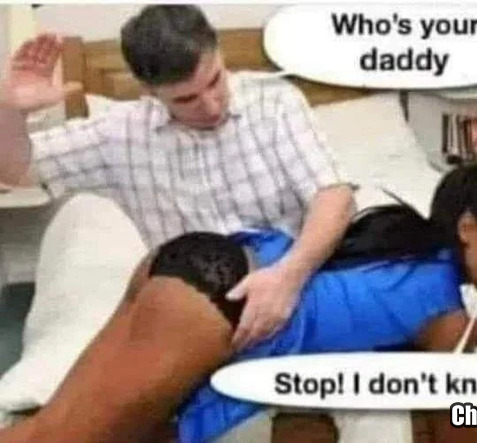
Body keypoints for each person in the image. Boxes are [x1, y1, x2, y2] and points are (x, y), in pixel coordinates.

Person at [0, 165, 477, 443]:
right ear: (468, 229)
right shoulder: (442, 312)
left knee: (49, 431)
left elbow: (447, 329)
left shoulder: (403, 243)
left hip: (202, 260)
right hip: (221, 304)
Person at [0, 5, 355, 352]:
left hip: (294, 278)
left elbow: (334, 197)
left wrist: (287, 280)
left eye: (215, 81)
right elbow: (19, 171)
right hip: (198, 308)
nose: (211, 106)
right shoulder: (119, 133)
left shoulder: (275, 102)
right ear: (149, 91)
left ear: (219, 53)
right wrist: (10, 111)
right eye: (186, 99)